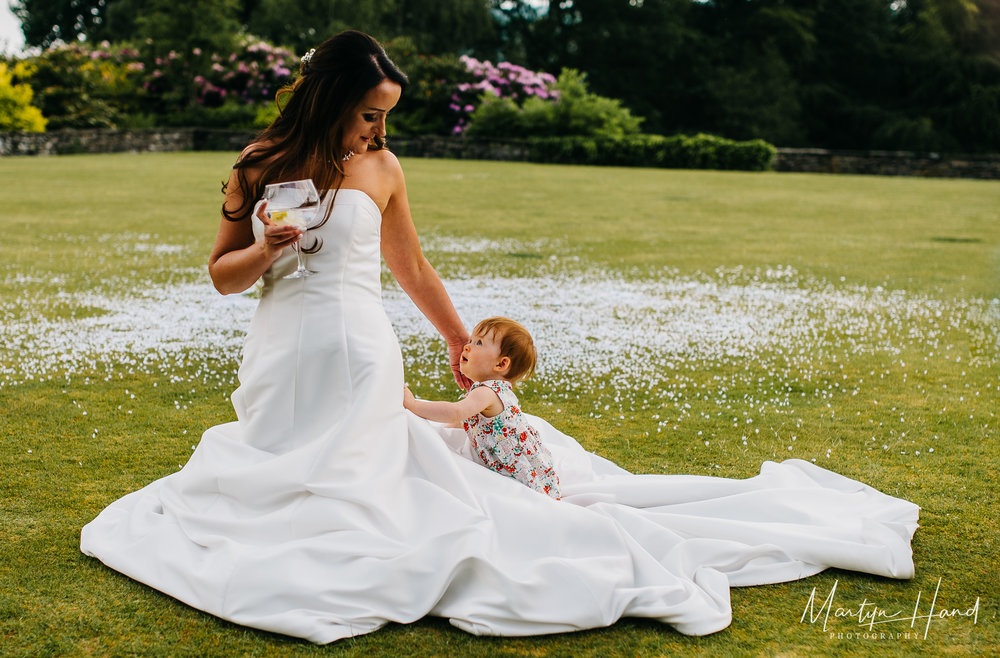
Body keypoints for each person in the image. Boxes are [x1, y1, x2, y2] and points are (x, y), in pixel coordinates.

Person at [80, 30, 919, 645]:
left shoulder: (385, 170)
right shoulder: (258, 164)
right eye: (370, 115)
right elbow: (223, 274)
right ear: (332, 99)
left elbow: (412, 269)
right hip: (280, 348)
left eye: (385, 118)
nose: (377, 131)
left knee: (365, 481)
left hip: (361, 349)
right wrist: (266, 248)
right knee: (277, 467)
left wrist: (452, 337)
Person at [404, 317, 561, 499]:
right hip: (517, 461)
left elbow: (455, 411)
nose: (467, 346)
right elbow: (465, 420)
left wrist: (413, 405)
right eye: (471, 340)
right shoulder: (495, 390)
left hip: (513, 470)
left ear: (501, 364)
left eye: (478, 343)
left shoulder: (487, 392)